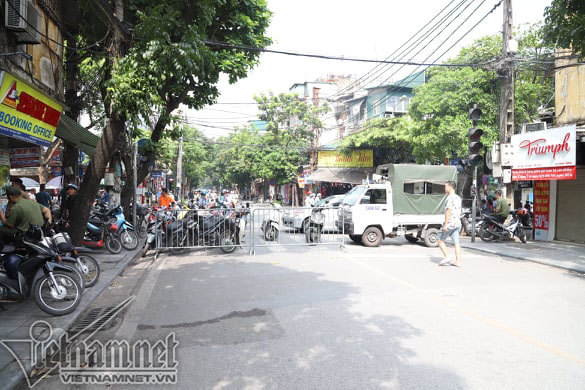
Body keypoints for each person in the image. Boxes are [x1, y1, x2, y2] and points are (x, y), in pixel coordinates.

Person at [438, 181, 462, 267]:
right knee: (456, 242)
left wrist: (445, 225)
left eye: (446, 187)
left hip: (450, 223)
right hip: (457, 223)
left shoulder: (449, 198)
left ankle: (447, 256)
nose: (445, 188)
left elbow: (448, 211)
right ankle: (458, 261)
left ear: (450, 187)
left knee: (439, 239)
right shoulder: (458, 198)